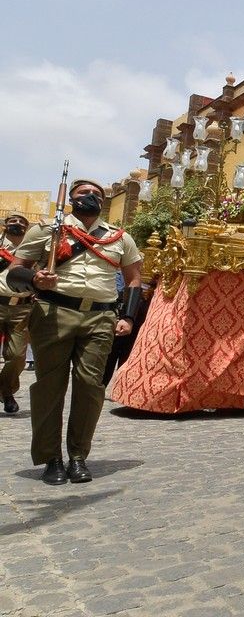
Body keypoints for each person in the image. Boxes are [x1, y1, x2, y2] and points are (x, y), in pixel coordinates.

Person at [8, 179, 142, 485]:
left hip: (99, 317)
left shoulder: (119, 238)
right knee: (50, 387)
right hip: (55, 313)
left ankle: (78, 456)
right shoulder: (47, 231)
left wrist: (128, 317)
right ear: (71, 198)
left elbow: (134, 279)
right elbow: (16, 269)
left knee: (90, 386)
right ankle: (51, 458)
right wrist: (35, 278)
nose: (91, 196)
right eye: (84, 192)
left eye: (97, 194)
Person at [1, 213, 33, 414]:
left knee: (17, 356)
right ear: (5, 225)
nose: (17, 224)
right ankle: (7, 394)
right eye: (13, 221)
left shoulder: (33, 250)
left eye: (22, 222)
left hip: (22, 308)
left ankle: (5, 389)